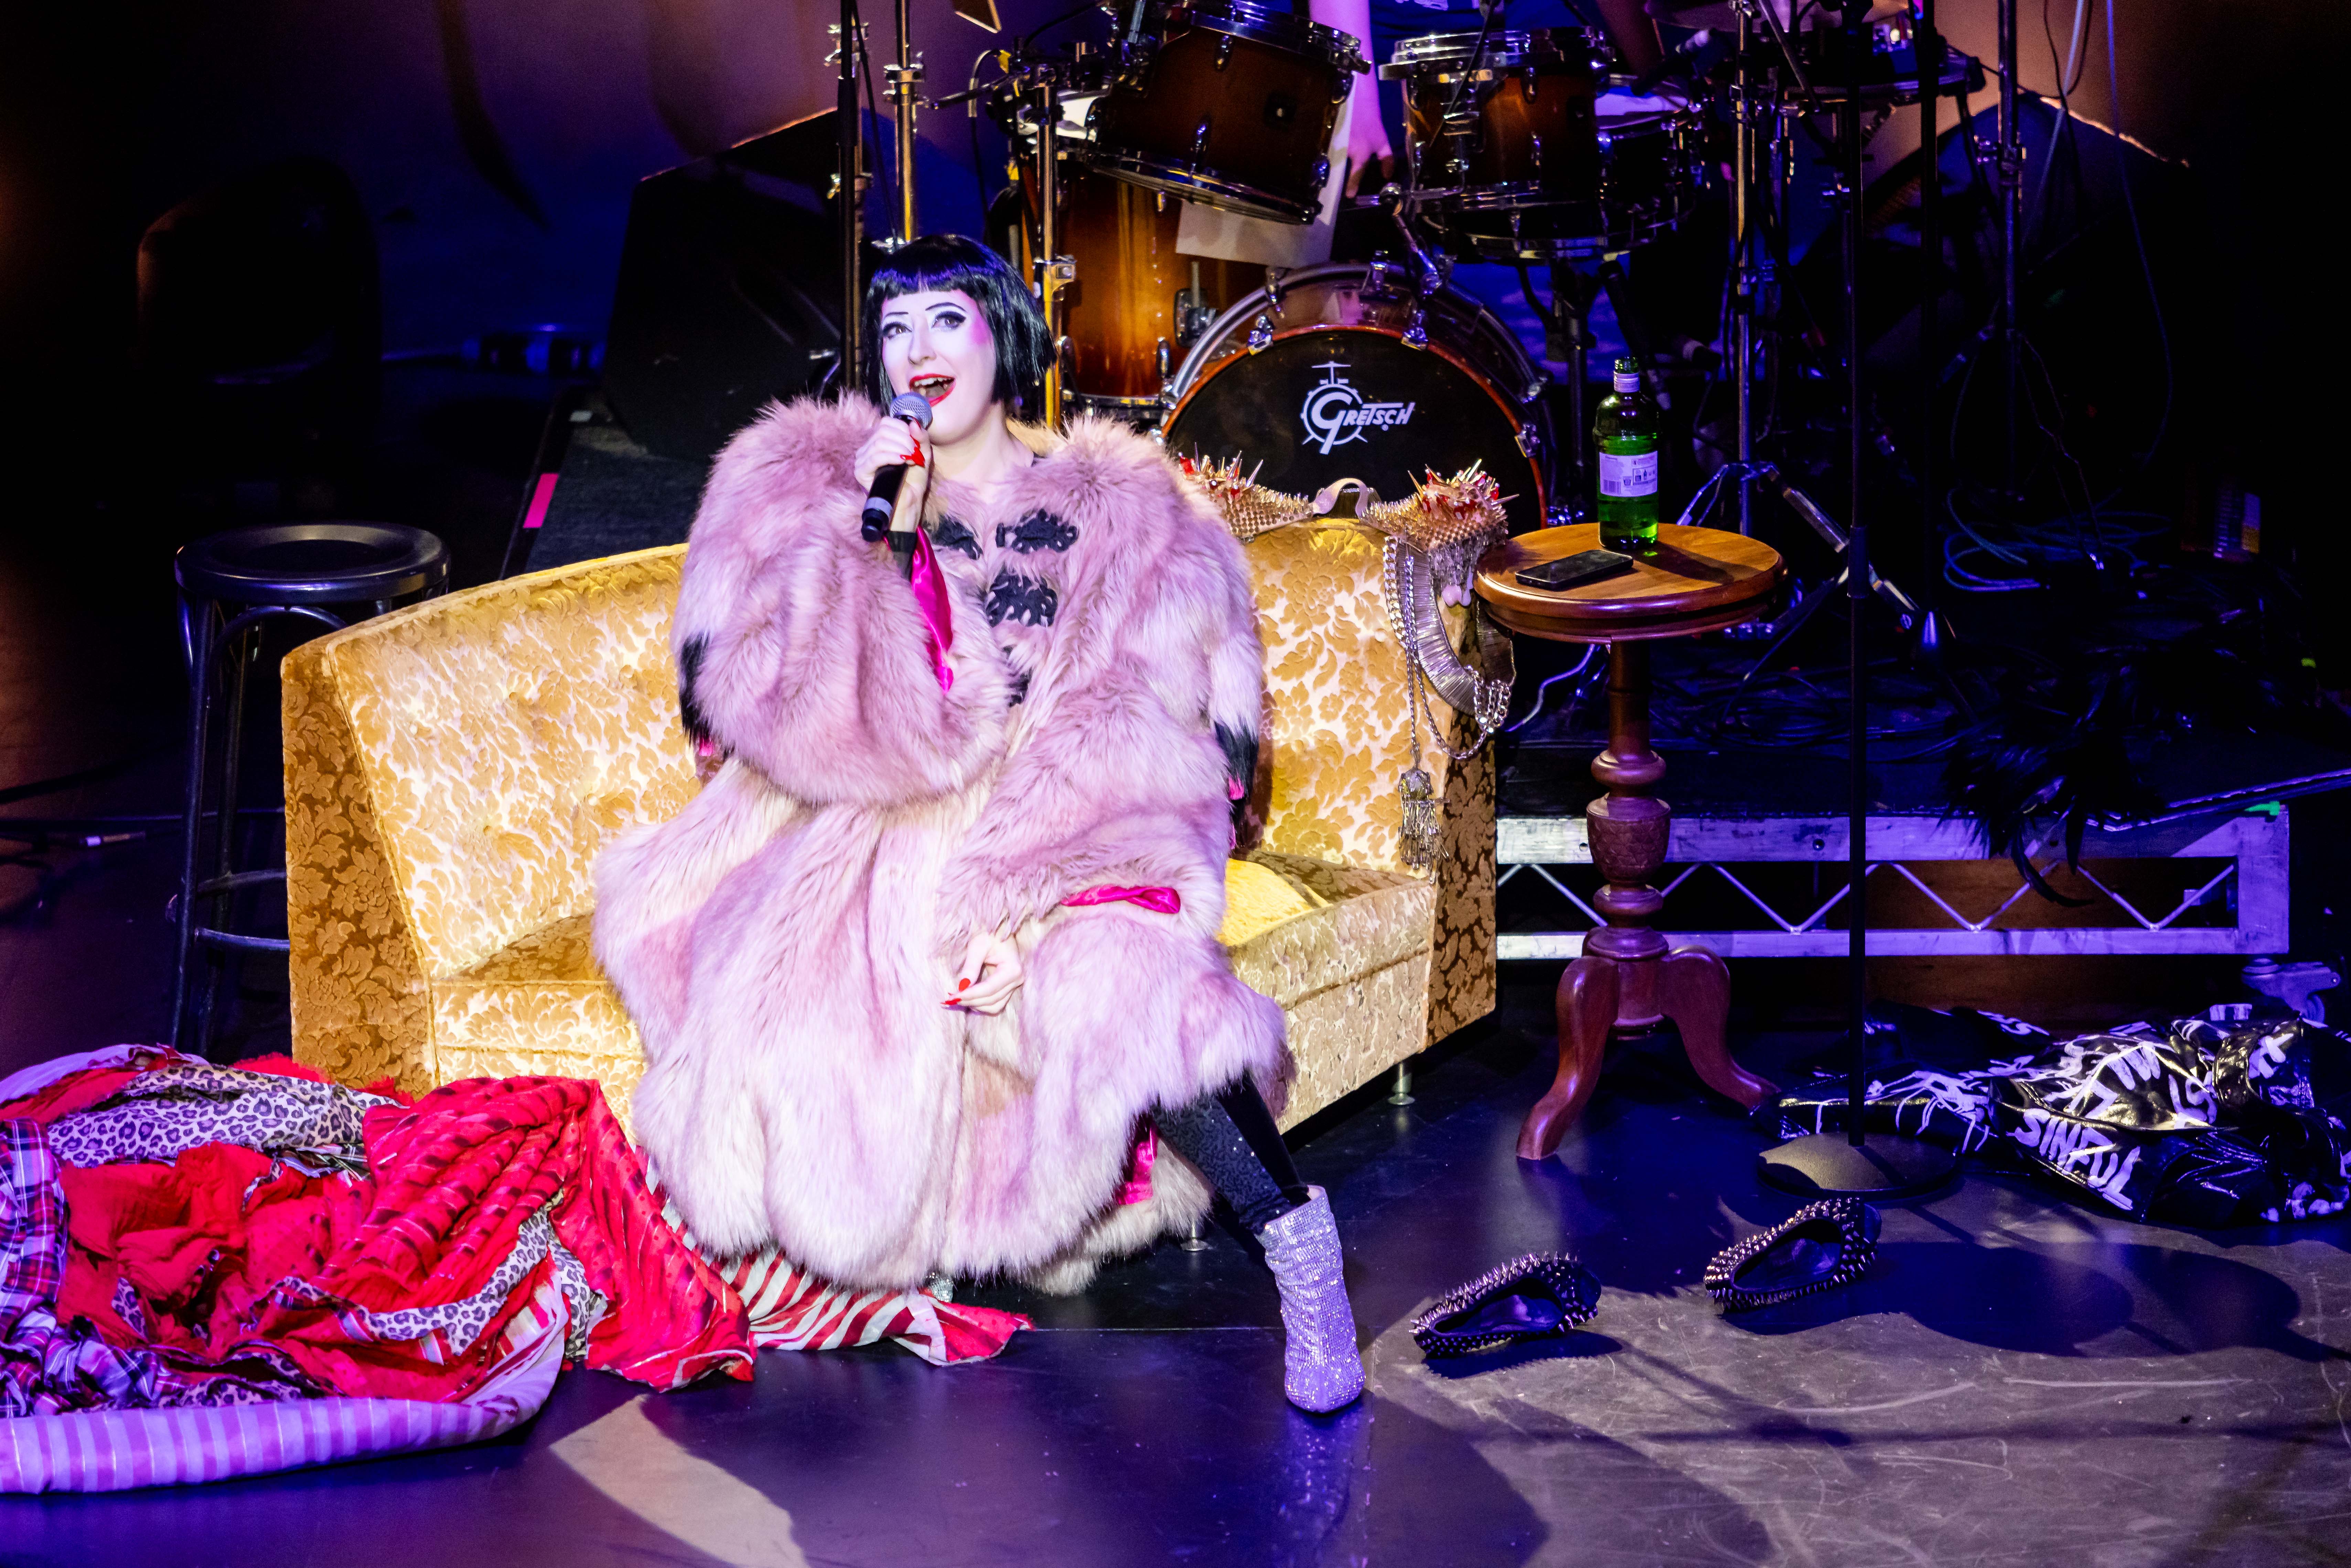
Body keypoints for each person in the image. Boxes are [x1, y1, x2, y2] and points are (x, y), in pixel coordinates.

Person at [593, 234, 1364, 1411]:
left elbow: (1161, 741)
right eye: (895, 328)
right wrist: (873, 545)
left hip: (1071, 824)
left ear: (1005, 334)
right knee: (826, 976)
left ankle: (1303, 1260)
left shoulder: (1127, 512)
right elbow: (778, 724)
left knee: (1130, 978)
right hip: (867, 820)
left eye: (947, 318)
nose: (919, 348)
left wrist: (1027, 901)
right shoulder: (818, 490)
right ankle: (918, 1224)